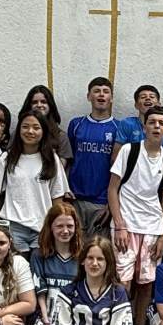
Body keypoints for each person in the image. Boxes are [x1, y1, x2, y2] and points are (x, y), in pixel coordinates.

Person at [109, 104, 163, 325]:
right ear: (144, 126)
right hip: (126, 226)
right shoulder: (129, 150)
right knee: (122, 284)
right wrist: (119, 224)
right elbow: (112, 189)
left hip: (152, 228)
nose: (157, 126)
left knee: (146, 284)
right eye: (152, 122)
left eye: (162, 123)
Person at [0, 110, 71, 257]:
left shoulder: (52, 159)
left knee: (39, 270)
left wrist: (57, 226)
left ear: (43, 131)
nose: (30, 131)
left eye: (36, 127)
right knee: (16, 269)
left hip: (42, 227)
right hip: (13, 227)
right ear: (19, 130)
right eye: (25, 126)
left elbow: (57, 198)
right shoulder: (7, 158)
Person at [27, 201, 85, 325]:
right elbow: (40, 297)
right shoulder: (39, 255)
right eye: (59, 226)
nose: (65, 231)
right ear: (50, 227)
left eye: (70, 226)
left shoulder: (83, 256)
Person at [66, 77, 125, 238]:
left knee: (97, 248)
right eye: (96, 91)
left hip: (102, 201)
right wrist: (65, 191)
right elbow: (69, 160)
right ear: (89, 96)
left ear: (111, 98)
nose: (101, 94)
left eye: (106, 91)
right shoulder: (76, 124)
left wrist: (112, 203)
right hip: (75, 199)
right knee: (75, 246)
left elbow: (121, 169)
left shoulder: (119, 127)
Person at [118, 84, 163, 155]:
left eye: (152, 97)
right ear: (136, 105)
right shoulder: (127, 124)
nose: (148, 98)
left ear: (159, 104)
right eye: (143, 97)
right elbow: (117, 155)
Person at [21, 84, 71, 160]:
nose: (39, 105)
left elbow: (61, 165)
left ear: (50, 105)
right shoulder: (20, 133)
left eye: (43, 102)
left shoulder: (60, 136)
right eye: (34, 102)